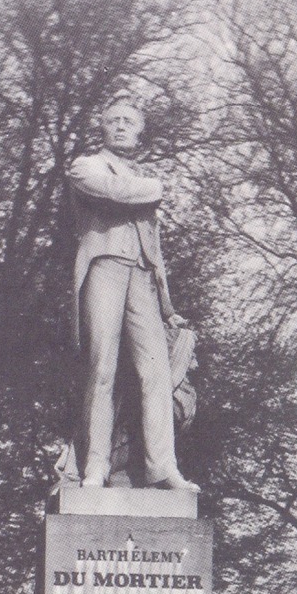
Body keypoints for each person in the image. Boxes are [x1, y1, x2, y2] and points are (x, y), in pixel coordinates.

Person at [68, 93, 199, 491]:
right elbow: (105, 190)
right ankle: (95, 466)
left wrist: (167, 306)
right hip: (105, 266)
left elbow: (155, 252)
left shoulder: (140, 175)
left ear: (140, 131)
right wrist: (151, 187)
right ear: (102, 127)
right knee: (102, 367)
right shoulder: (85, 165)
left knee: (156, 373)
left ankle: (163, 466)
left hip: (142, 277)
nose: (121, 125)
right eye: (114, 120)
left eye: (129, 120)